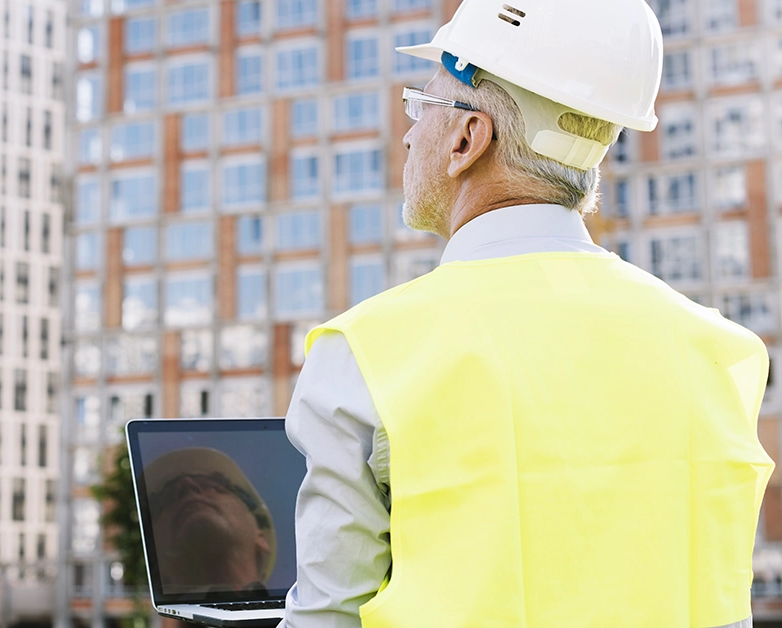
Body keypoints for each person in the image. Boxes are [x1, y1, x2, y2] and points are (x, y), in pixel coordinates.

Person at [282, 0, 775, 627]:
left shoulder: (367, 352)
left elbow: (326, 617)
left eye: (421, 105)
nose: (408, 132)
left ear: (467, 138)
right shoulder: (721, 351)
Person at [144, 447, 276, 595]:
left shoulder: (297, 615)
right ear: (156, 563)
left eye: (214, 485)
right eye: (166, 498)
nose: (188, 484)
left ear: (261, 538)